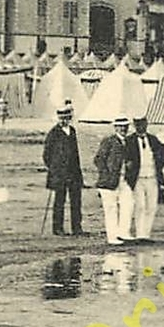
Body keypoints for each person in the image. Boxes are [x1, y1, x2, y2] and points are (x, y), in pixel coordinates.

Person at [41, 102, 86, 236]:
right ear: (58, 118)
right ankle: (57, 228)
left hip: (73, 173)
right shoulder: (53, 133)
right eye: (62, 118)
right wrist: (54, 168)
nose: (64, 120)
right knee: (59, 201)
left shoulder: (72, 131)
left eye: (66, 118)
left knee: (76, 201)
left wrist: (78, 172)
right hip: (59, 174)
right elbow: (46, 154)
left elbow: (76, 153)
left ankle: (76, 227)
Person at [125, 117, 164, 242]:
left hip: (152, 177)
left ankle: (146, 234)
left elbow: (163, 153)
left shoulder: (153, 140)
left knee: (151, 206)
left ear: (146, 125)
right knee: (140, 206)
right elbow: (126, 157)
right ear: (134, 126)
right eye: (138, 125)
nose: (141, 127)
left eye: (143, 125)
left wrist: (158, 165)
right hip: (138, 178)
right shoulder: (130, 141)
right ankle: (140, 234)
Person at [93, 117, 133, 245]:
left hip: (124, 179)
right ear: (115, 128)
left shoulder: (128, 142)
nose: (123, 129)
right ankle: (112, 236)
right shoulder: (108, 141)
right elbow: (98, 160)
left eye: (125, 126)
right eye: (120, 127)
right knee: (111, 209)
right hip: (109, 181)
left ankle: (124, 232)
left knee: (128, 205)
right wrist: (107, 174)